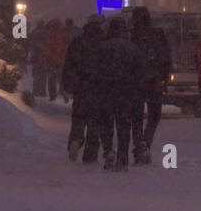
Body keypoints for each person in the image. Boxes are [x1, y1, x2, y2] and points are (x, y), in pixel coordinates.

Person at [96, 16, 142, 171]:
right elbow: (138, 71)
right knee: (123, 126)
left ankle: (108, 151)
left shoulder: (102, 47)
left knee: (107, 123)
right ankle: (123, 159)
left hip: (106, 89)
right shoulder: (132, 48)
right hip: (125, 90)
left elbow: (95, 69)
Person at [129, 7, 171, 165]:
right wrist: (164, 78)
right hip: (154, 81)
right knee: (154, 115)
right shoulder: (157, 34)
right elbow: (166, 57)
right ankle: (146, 142)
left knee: (137, 117)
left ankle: (139, 145)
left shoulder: (131, 35)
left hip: (136, 82)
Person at [61, 15, 105, 162]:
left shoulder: (78, 42)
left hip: (81, 89)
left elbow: (68, 65)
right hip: (98, 89)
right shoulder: (104, 43)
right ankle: (90, 155)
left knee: (78, 119)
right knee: (94, 123)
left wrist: (68, 86)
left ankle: (75, 140)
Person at [43, 19, 68, 102]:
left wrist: (46, 57)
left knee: (51, 79)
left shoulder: (49, 35)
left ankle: (53, 95)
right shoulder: (63, 35)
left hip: (51, 60)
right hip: (60, 60)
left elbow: (47, 48)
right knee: (61, 79)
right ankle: (65, 94)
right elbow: (65, 47)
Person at [26, 19, 47, 96]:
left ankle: (36, 90)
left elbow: (30, 44)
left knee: (36, 75)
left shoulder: (34, 33)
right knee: (43, 76)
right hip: (44, 57)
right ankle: (42, 91)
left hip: (36, 56)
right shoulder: (46, 33)